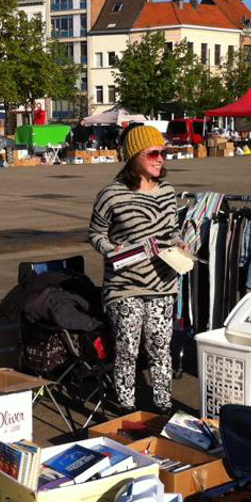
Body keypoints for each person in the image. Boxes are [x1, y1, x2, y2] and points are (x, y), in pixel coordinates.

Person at [87, 125, 182, 415]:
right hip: (124, 284)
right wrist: (109, 249)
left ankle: (163, 404)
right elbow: (95, 233)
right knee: (127, 346)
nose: (160, 159)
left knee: (159, 347)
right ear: (133, 157)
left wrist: (181, 245)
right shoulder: (111, 195)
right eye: (153, 153)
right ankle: (125, 405)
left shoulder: (167, 192)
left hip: (163, 282)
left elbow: (173, 230)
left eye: (163, 153)